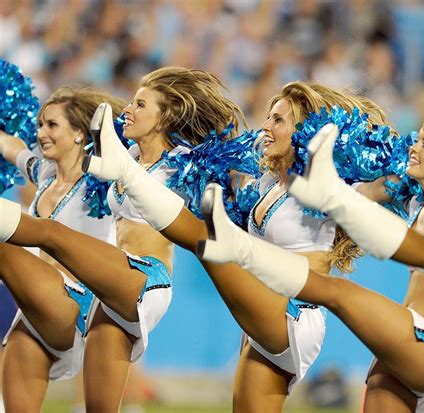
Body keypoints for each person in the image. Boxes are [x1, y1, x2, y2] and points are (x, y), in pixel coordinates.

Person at [77, 81, 392, 411]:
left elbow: (376, 190)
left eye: (278, 120)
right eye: (268, 118)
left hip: (293, 315)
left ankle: (124, 170)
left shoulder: (326, 183)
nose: (266, 127)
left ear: (304, 131)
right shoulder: (269, 183)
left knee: (210, 243)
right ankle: (125, 170)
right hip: (262, 313)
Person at [198, 93, 424, 412]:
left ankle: (238, 247)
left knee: (338, 292)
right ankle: (238, 244)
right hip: (397, 341)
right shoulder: (414, 205)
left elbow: (375, 190)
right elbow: (371, 192)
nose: (412, 147)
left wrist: (331, 188)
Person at [0, 66, 245, 412]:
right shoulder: (123, 158)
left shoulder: (181, 163)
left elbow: (223, 190)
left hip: (146, 277)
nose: (128, 109)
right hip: (108, 294)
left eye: (140, 104)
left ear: (166, 116)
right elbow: (46, 158)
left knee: (53, 235)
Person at [0, 86, 125, 412]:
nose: (41, 133)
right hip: (37, 308)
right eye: (40, 125)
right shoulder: (44, 175)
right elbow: (11, 147)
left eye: (52, 125)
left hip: (78, 305)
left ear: (79, 134)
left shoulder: (103, 180)